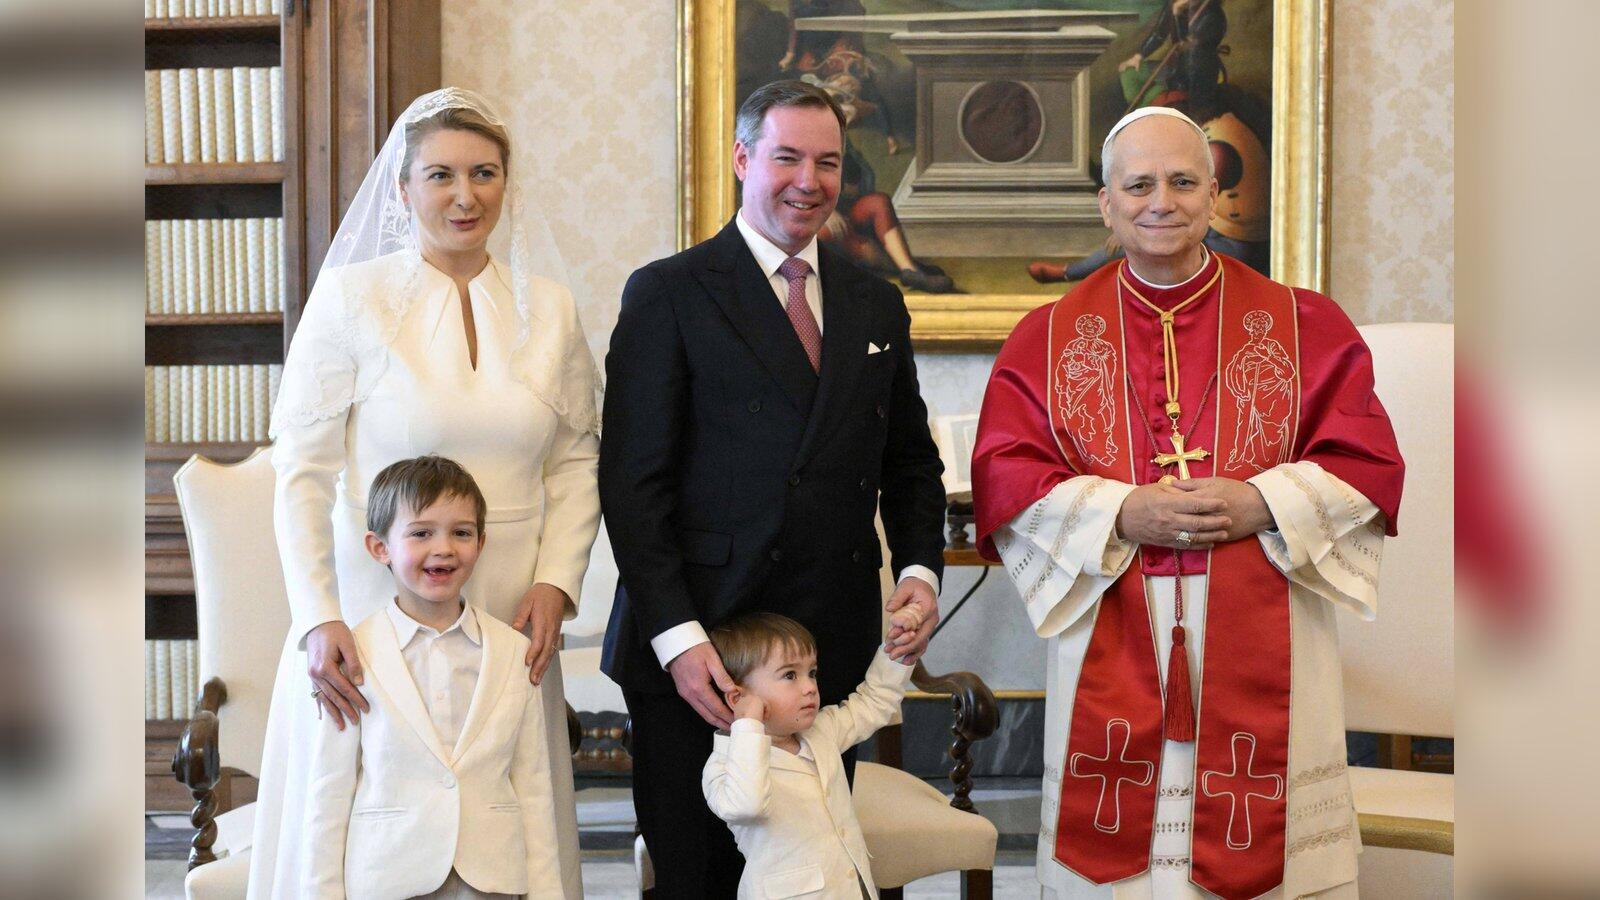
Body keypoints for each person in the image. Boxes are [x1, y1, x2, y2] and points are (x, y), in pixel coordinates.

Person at [971, 107, 1405, 899]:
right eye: (1139, 185)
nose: (1161, 202)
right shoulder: (1047, 337)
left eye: (1182, 181)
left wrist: (1263, 501)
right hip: (1114, 611)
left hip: (1268, 615)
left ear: (1213, 195)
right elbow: (1004, 472)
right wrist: (1119, 512)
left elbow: (1367, 460)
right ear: (1106, 203)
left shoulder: (1304, 324)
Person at [599, 79, 948, 896]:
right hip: (700, 650)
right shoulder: (669, 291)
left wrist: (921, 572)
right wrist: (679, 641)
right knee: (698, 881)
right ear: (742, 158)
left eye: (828, 163)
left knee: (806, 878)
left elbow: (909, 462)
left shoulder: (875, 302)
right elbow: (633, 485)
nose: (809, 181)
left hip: (823, 655)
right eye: (787, 157)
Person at [251, 88, 599, 899]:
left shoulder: (549, 308)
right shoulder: (352, 299)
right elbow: (301, 472)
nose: (464, 195)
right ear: (403, 189)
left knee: (509, 806)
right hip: (374, 600)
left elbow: (576, 461)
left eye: (484, 173)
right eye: (440, 175)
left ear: (507, 184)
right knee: (359, 813)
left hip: (512, 603)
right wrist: (318, 615)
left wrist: (557, 582)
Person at [303, 456, 564, 899]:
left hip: (493, 879)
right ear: (380, 547)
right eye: (421, 533)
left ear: (481, 542)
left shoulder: (513, 652)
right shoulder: (352, 656)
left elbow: (534, 788)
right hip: (389, 877)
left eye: (461, 532)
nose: (443, 548)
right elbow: (329, 792)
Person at [702, 612, 919, 900]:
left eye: (812, 673)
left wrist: (896, 654)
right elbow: (748, 805)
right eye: (790, 675)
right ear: (738, 698)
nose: (809, 687)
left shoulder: (822, 731)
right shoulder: (723, 765)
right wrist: (748, 724)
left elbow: (873, 702)